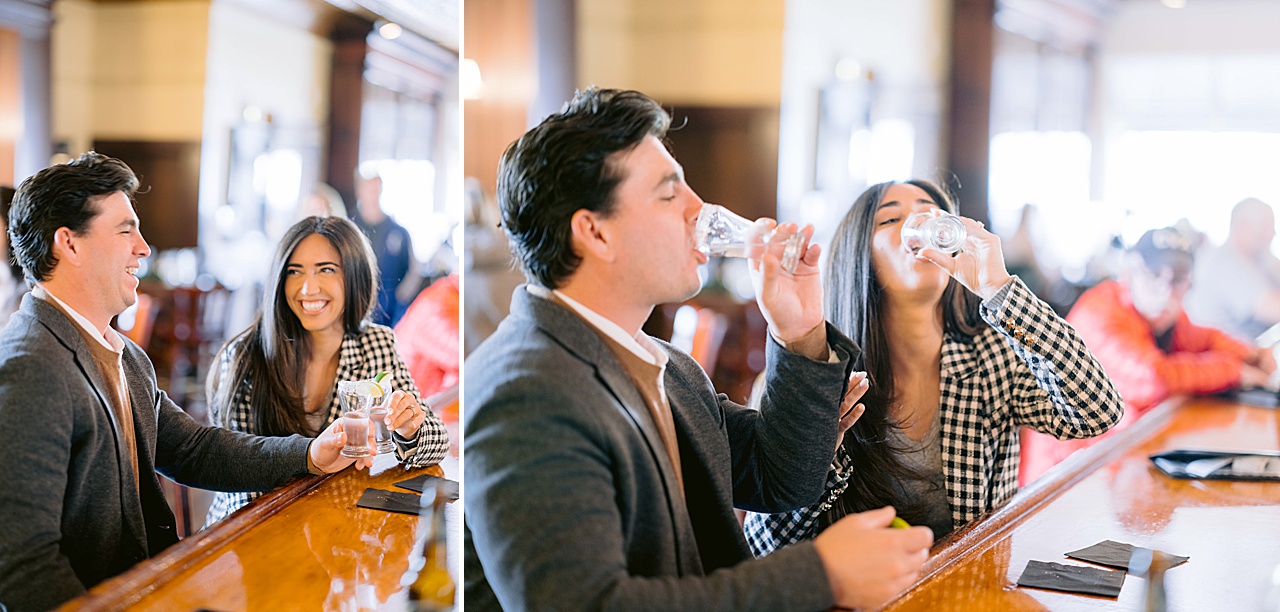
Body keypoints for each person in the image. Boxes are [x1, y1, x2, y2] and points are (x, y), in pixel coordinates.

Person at [464, 88, 933, 612]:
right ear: (594, 232)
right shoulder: (527, 392)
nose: (700, 207)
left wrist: (798, 332)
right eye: (670, 194)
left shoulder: (663, 363)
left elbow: (778, 479)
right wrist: (820, 576)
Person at [0, 153, 370, 611]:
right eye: (125, 230)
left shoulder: (125, 354)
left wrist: (311, 453)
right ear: (68, 244)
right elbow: (24, 565)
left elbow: (195, 451)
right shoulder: (29, 366)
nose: (144, 247)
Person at [743, 180, 1124, 552]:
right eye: (890, 220)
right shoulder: (810, 379)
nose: (919, 228)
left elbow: (1099, 412)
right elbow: (768, 547)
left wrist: (999, 288)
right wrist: (814, 448)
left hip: (972, 592)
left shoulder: (991, 356)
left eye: (931, 215)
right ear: (858, 256)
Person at [202, 215, 450, 527]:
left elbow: (437, 441)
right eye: (295, 272)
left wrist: (410, 427)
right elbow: (239, 478)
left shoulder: (375, 343)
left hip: (335, 531)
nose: (308, 288)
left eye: (326, 270)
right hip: (247, 536)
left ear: (353, 276)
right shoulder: (245, 358)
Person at [1020, 226, 1277, 483]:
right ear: (1129, 272)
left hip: (1114, 460)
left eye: (1177, 280)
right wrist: (1234, 370)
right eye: (1153, 275)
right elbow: (1153, 377)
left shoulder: (1159, 312)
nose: (1165, 290)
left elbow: (1203, 339)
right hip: (1062, 477)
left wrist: (1250, 354)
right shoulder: (1100, 312)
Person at [1184, 198, 1280, 341]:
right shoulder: (1222, 263)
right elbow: (1273, 310)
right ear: (1243, 227)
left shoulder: (1258, 258)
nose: (1273, 233)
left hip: (1250, 352)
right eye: (1266, 227)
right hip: (1223, 356)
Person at [352, 172, 417, 327]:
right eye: (368, 189)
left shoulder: (398, 233)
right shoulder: (348, 227)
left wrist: (400, 298)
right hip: (354, 310)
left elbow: (413, 271)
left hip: (389, 315)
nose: (372, 194)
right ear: (359, 191)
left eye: (376, 189)